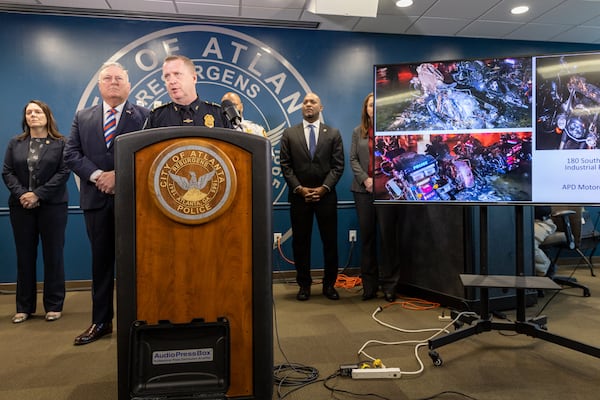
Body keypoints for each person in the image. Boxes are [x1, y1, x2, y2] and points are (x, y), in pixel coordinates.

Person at [64, 62, 149, 345]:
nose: (113, 82)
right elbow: (71, 154)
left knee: (135, 266)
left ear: (129, 85)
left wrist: (119, 176)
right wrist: (99, 175)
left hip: (134, 204)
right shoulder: (82, 117)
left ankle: (137, 322)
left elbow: (149, 157)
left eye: (119, 78)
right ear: (100, 85)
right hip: (96, 202)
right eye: (107, 78)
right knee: (101, 266)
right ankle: (101, 322)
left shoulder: (145, 116)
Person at [2, 100, 70, 324]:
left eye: (37, 111)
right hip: (21, 208)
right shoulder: (16, 143)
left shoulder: (61, 143)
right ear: (25, 118)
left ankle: (53, 305)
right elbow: (8, 171)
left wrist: (37, 194)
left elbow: (63, 173)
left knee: (53, 256)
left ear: (47, 116)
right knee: (25, 257)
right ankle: (24, 307)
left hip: (52, 207)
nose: (33, 115)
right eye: (29, 112)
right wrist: (24, 194)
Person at [280, 92, 345, 301]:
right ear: (302, 107)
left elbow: (338, 166)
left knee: (330, 243)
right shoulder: (289, 134)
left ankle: (329, 286)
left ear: (321, 107)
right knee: (300, 243)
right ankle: (304, 286)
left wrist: (323, 188)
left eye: (313, 102)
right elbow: (286, 166)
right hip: (299, 198)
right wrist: (299, 189)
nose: (308, 104)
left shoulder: (333, 133)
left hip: (326, 197)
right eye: (305, 102)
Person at [144, 55, 232, 129]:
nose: (172, 81)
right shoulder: (156, 118)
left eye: (177, 74)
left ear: (194, 78)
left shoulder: (218, 114)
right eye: (167, 76)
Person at [349, 93, 379, 300]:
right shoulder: (357, 132)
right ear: (365, 108)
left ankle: (389, 285)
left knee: (387, 239)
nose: (373, 108)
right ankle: (369, 286)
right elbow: (352, 159)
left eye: (376, 104)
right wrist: (366, 180)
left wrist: (379, 182)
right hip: (363, 191)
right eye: (370, 105)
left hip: (386, 192)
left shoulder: (391, 130)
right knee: (367, 239)